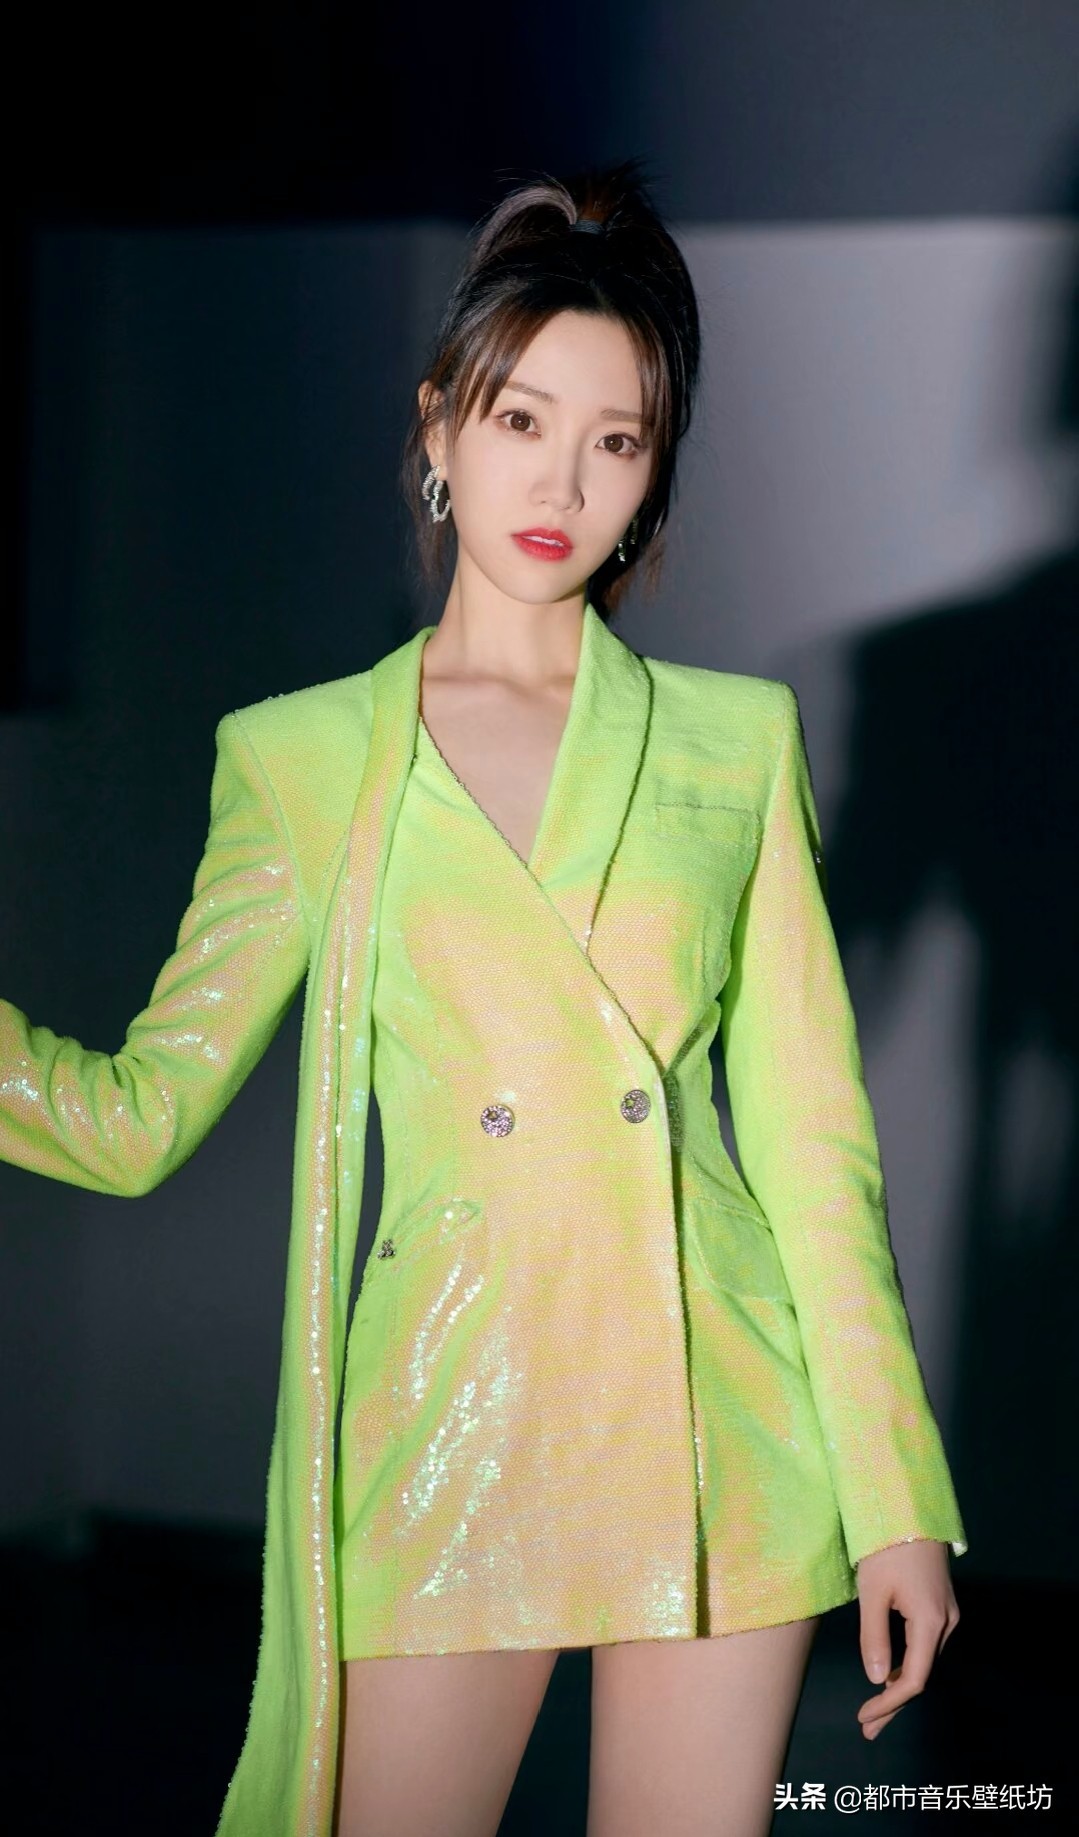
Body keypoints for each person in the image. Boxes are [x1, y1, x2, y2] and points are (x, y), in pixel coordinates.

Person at [1, 159, 965, 1837]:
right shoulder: (304, 761)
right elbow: (138, 1117)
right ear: (440, 427)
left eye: (619, 440)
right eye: (523, 419)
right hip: (453, 1410)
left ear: (653, 477)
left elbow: (818, 1155)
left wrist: (894, 1495)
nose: (563, 481)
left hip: (723, 1427)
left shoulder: (736, 746)